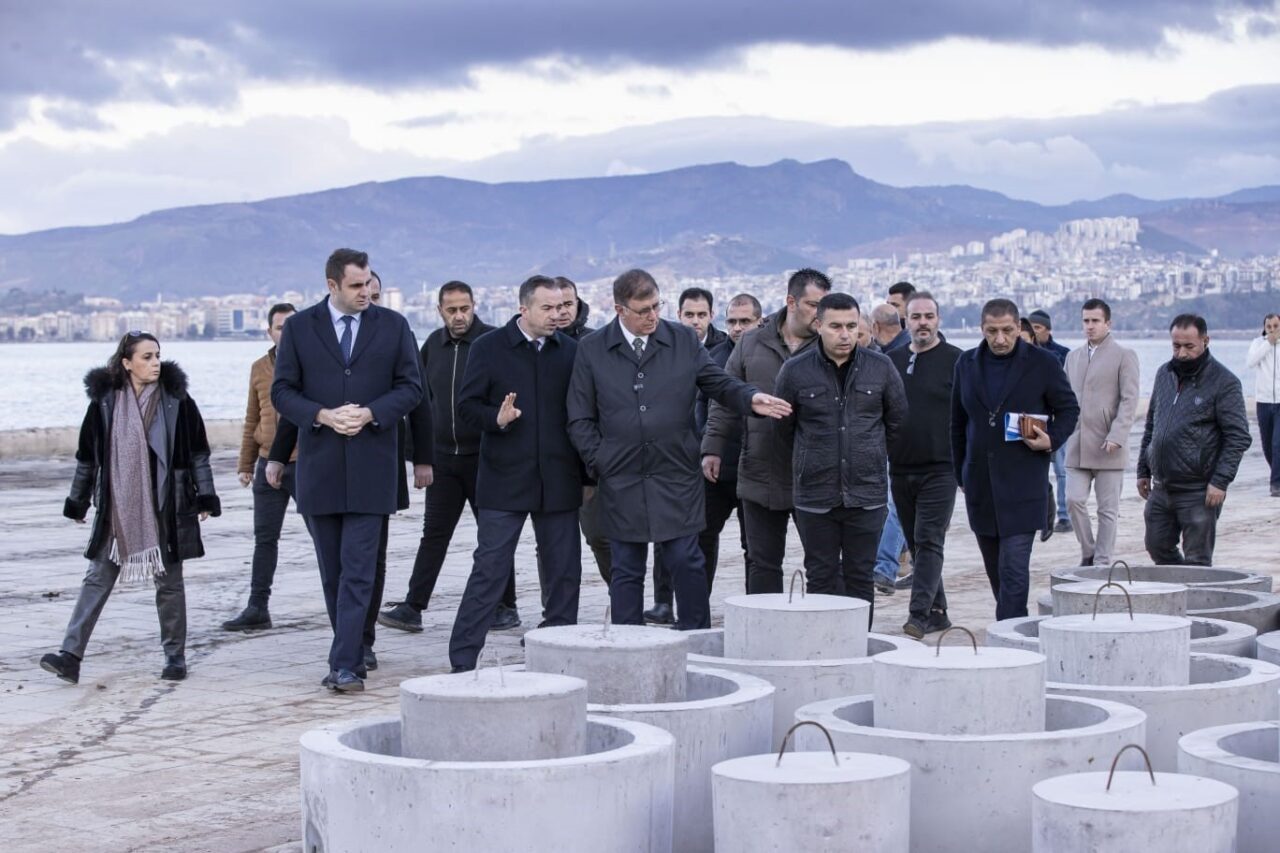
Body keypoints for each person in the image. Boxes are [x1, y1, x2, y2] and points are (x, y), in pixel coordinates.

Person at [568, 268, 790, 630]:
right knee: (626, 567)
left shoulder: (682, 339)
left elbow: (718, 383)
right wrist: (600, 459)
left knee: (687, 561)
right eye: (643, 310)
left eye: (657, 306)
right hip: (621, 474)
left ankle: (694, 637)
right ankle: (629, 643)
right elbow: (579, 417)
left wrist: (750, 398)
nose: (652, 316)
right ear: (619, 309)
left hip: (675, 471)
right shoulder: (592, 349)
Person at [271, 248, 422, 693]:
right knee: (333, 573)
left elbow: (412, 388)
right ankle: (351, 653)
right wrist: (322, 415)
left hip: (373, 467)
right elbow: (282, 392)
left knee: (359, 569)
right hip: (320, 469)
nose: (365, 293)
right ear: (332, 285)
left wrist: (371, 413)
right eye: (356, 286)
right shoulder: (300, 328)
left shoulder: (393, 326)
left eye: (368, 284)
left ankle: (345, 665)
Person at [41, 332, 220, 684]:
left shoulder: (176, 400)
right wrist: (78, 502)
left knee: (169, 583)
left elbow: (198, 452)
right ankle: (70, 657)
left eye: (157, 356)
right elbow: (87, 457)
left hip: (167, 503)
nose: (155, 363)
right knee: (97, 578)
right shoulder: (105, 403)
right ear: (127, 363)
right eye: (147, 357)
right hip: (117, 507)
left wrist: (205, 497)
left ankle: (174, 657)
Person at [448, 275, 582, 671]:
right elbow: (466, 407)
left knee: (564, 571)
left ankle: (560, 651)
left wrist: (589, 474)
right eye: (548, 308)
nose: (557, 315)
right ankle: (462, 659)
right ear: (524, 309)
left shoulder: (571, 351)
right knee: (490, 568)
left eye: (562, 307)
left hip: (558, 478)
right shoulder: (488, 347)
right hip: (503, 479)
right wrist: (497, 418)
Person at [377, 281, 524, 634]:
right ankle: (413, 607)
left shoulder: (492, 343)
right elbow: (418, 401)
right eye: (451, 310)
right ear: (439, 311)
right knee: (434, 534)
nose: (459, 316)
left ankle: (506, 606)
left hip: (485, 458)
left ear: (474, 306)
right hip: (443, 459)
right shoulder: (432, 346)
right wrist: (419, 456)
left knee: (494, 536)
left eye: (464, 308)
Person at [775, 293, 906, 623]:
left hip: (866, 494)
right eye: (836, 326)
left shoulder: (881, 367)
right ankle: (824, 644)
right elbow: (783, 429)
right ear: (818, 325)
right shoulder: (794, 371)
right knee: (821, 577)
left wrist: (870, 454)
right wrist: (813, 458)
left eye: (851, 325)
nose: (845, 334)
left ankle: (859, 643)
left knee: (861, 577)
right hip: (815, 495)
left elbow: (897, 422)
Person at [704, 269, 830, 594]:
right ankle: (763, 623)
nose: (820, 314)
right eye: (813, 305)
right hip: (761, 470)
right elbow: (725, 397)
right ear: (791, 301)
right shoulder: (751, 342)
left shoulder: (829, 345)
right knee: (762, 563)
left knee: (824, 564)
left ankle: (825, 624)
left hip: (815, 476)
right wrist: (713, 447)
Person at [951, 299, 1079, 620]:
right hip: (980, 485)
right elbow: (956, 423)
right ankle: (1012, 625)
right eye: (992, 331)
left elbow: (1068, 409)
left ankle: (1008, 634)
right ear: (982, 329)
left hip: (1024, 483)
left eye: (1007, 330)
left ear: (1019, 327)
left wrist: (1051, 439)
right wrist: (960, 474)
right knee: (996, 572)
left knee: (1014, 570)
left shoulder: (1043, 363)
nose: (1000, 338)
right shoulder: (966, 363)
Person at [644, 286, 737, 624]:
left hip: (711, 454)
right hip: (672, 453)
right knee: (665, 531)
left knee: (702, 536)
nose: (695, 321)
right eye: (689, 315)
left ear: (711, 316)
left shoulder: (724, 351)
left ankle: (697, 604)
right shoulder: (663, 345)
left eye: (701, 315)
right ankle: (663, 600)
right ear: (679, 315)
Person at [1137, 315, 1251, 565]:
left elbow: (1238, 436)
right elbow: (1152, 425)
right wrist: (1143, 470)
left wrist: (1220, 481)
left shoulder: (1225, 382)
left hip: (1199, 490)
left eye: (1189, 346)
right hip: (1162, 487)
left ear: (1205, 341)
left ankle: (1193, 588)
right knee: (1156, 546)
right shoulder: (1164, 374)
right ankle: (1178, 586)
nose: (1182, 353)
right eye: (1176, 346)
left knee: (1198, 560)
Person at [886, 292, 962, 638]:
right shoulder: (892, 360)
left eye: (929, 316)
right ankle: (939, 611)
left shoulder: (956, 361)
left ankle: (918, 615)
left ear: (938, 320)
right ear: (907, 321)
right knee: (917, 544)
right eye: (916, 317)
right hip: (901, 467)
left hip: (941, 468)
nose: (923, 323)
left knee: (929, 539)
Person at [222, 303, 296, 632]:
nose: (286, 333)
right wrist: (245, 463)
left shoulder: (312, 364)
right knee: (265, 538)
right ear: (270, 332)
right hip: (266, 462)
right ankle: (257, 607)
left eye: (292, 326)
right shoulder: (259, 368)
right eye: (280, 328)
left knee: (324, 538)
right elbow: (252, 416)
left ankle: (342, 605)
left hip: (303, 463)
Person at [1064, 299, 1140, 567]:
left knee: (1108, 510)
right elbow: (1064, 399)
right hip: (1077, 444)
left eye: (1095, 321)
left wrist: (1117, 435)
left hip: (1109, 445)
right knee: (1073, 499)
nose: (1090, 326)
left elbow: (1130, 399)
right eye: (1086, 321)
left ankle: (1103, 561)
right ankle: (1088, 552)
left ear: (1108, 323)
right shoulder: (1072, 357)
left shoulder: (1124, 355)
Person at [1029, 308, 1073, 533]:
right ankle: (1043, 514)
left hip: (1057, 422)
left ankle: (1064, 516)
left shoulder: (1064, 354)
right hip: (1034, 421)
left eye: (1038, 327)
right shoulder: (1024, 354)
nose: (1034, 332)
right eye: (1031, 328)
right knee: (1036, 471)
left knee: (1062, 470)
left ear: (1048, 330)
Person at [1246, 313, 1280, 497]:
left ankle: (1276, 485)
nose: (1272, 330)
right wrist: (1268, 344)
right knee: (1267, 446)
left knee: (1277, 443)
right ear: (1265, 328)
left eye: (1276, 326)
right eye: (1269, 327)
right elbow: (1251, 362)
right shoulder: (1258, 343)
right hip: (1263, 402)